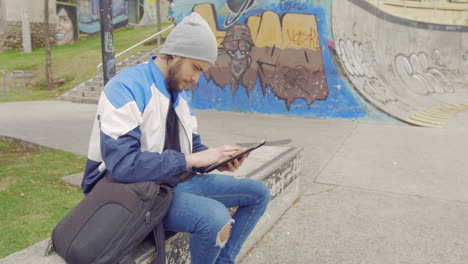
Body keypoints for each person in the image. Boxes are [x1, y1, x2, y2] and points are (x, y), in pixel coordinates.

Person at [82, 12, 270, 264]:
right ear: (174, 54)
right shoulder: (125, 87)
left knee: (257, 192)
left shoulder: (179, 96)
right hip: (130, 191)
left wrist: (217, 159)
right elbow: (123, 166)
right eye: (196, 68)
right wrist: (191, 159)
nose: (196, 79)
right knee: (215, 217)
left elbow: (191, 149)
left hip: (173, 183)